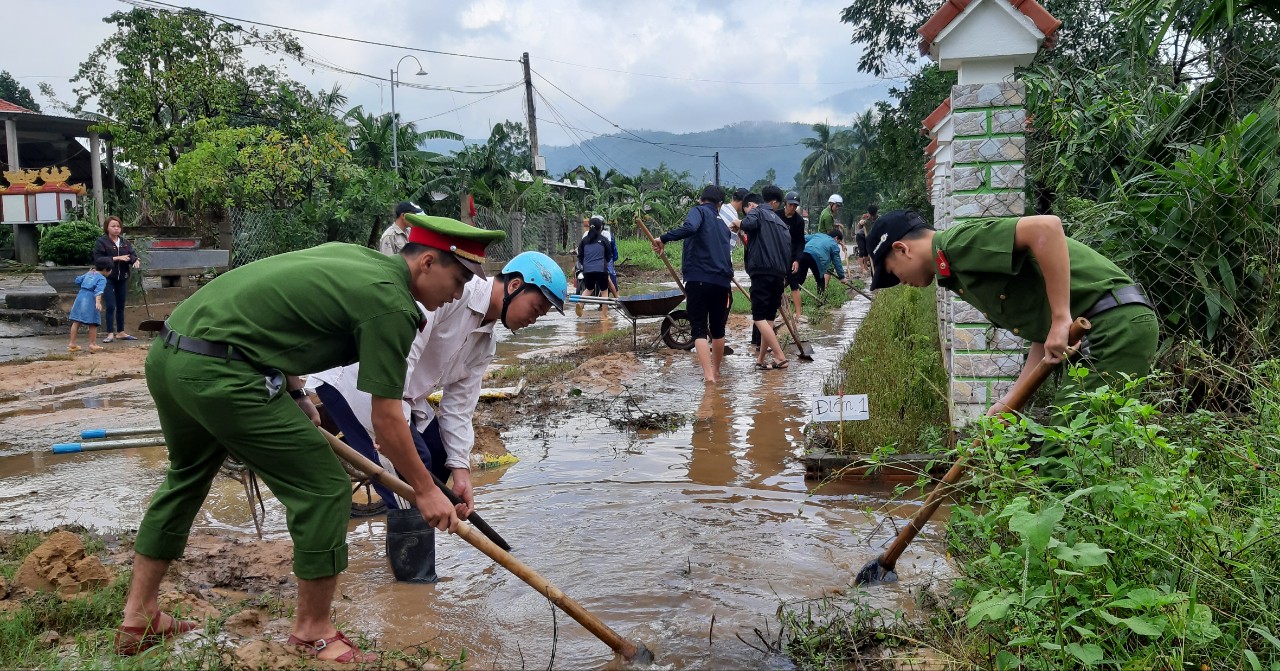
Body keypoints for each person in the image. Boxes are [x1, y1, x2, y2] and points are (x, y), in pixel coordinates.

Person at [114, 214, 504, 663]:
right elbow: (387, 419)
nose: (458, 294)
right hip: (225, 373)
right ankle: (313, 630)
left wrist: (297, 390)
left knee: (187, 477)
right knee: (323, 488)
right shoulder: (393, 304)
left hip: (171, 354)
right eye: (457, 281)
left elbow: (282, 318)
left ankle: (139, 615)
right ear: (428, 263)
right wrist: (424, 490)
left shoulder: (357, 260)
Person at [311, 252, 566, 582]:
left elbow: (458, 407)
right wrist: (395, 436)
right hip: (360, 384)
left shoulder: (485, 342)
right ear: (515, 286)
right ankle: (415, 588)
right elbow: (400, 359)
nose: (536, 318)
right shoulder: (450, 294)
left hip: (406, 396)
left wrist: (461, 470)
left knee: (441, 456)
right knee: (410, 477)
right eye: (537, 308)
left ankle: (405, 532)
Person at [866, 210, 1159, 479]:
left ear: (901, 249)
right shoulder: (955, 268)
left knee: (1066, 454)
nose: (901, 282)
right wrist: (1010, 402)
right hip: (1108, 324)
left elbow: (1047, 227)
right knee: (1080, 446)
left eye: (893, 274)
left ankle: (1063, 531)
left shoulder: (956, 245)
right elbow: (1042, 335)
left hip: (1113, 324)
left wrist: (1060, 318)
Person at [652, 185, 734, 383]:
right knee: (718, 330)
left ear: (700, 200)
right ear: (720, 205)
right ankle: (716, 373)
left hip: (698, 279)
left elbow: (690, 228)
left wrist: (663, 238)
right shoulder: (724, 226)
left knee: (698, 328)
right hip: (722, 282)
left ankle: (708, 377)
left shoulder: (698, 211)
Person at [735, 192, 791, 370]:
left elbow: (748, 223)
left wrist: (738, 224)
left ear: (750, 205)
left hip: (762, 271)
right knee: (768, 318)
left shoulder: (757, 212)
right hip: (778, 274)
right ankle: (760, 360)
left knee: (758, 317)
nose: (747, 214)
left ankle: (780, 356)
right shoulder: (781, 222)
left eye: (746, 211)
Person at [93, 215, 140, 343]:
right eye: (113, 226)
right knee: (111, 305)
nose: (116, 229)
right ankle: (109, 333)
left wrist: (135, 261)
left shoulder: (124, 242)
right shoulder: (102, 242)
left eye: (118, 226)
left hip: (122, 277)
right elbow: (98, 260)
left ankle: (121, 332)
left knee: (121, 305)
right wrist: (116, 258)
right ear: (107, 228)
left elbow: (132, 255)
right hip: (107, 277)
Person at [575, 216, 617, 316]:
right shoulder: (603, 240)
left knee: (589, 289)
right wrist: (604, 264)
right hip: (601, 270)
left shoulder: (584, 241)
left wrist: (586, 264)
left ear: (589, 227)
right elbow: (609, 255)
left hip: (587, 270)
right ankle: (604, 316)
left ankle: (580, 304)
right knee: (604, 291)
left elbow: (580, 256)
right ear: (600, 228)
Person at [68, 258, 111, 354]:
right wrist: (98, 302)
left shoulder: (89, 273)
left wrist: (88, 274)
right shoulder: (102, 278)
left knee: (76, 321)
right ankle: (93, 344)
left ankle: (72, 343)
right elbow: (98, 291)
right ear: (106, 269)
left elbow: (78, 280)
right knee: (93, 323)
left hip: (80, 297)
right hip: (90, 299)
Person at [778, 190, 808, 318]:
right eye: (790, 205)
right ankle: (780, 312)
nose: (792, 208)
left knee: (794, 284)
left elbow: (800, 242)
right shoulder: (776, 215)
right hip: (777, 254)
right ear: (785, 203)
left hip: (791, 255)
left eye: (795, 206)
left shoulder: (799, 221)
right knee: (777, 283)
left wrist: (797, 260)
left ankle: (798, 314)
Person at [855, 204, 877, 276]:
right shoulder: (865, 217)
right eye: (871, 215)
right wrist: (860, 222)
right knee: (862, 251)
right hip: (861, 236)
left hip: (869, 237)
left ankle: (865, 266)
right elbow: (859, 227)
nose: (872, 217)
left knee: (867, 252)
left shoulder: (879, 218)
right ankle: (862, 268)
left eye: (873, 215)